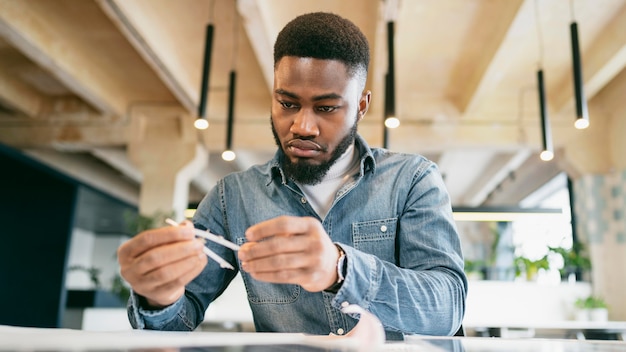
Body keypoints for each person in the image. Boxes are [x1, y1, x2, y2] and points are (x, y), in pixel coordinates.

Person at [117, 12, 467, 341]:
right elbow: (177, 321)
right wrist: (159, 297)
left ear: (361, 105)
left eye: (326, 108)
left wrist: (339, 269)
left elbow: (447, 307)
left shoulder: (411, 180)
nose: (302, 126)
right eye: (287, 103)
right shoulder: (232, 198)